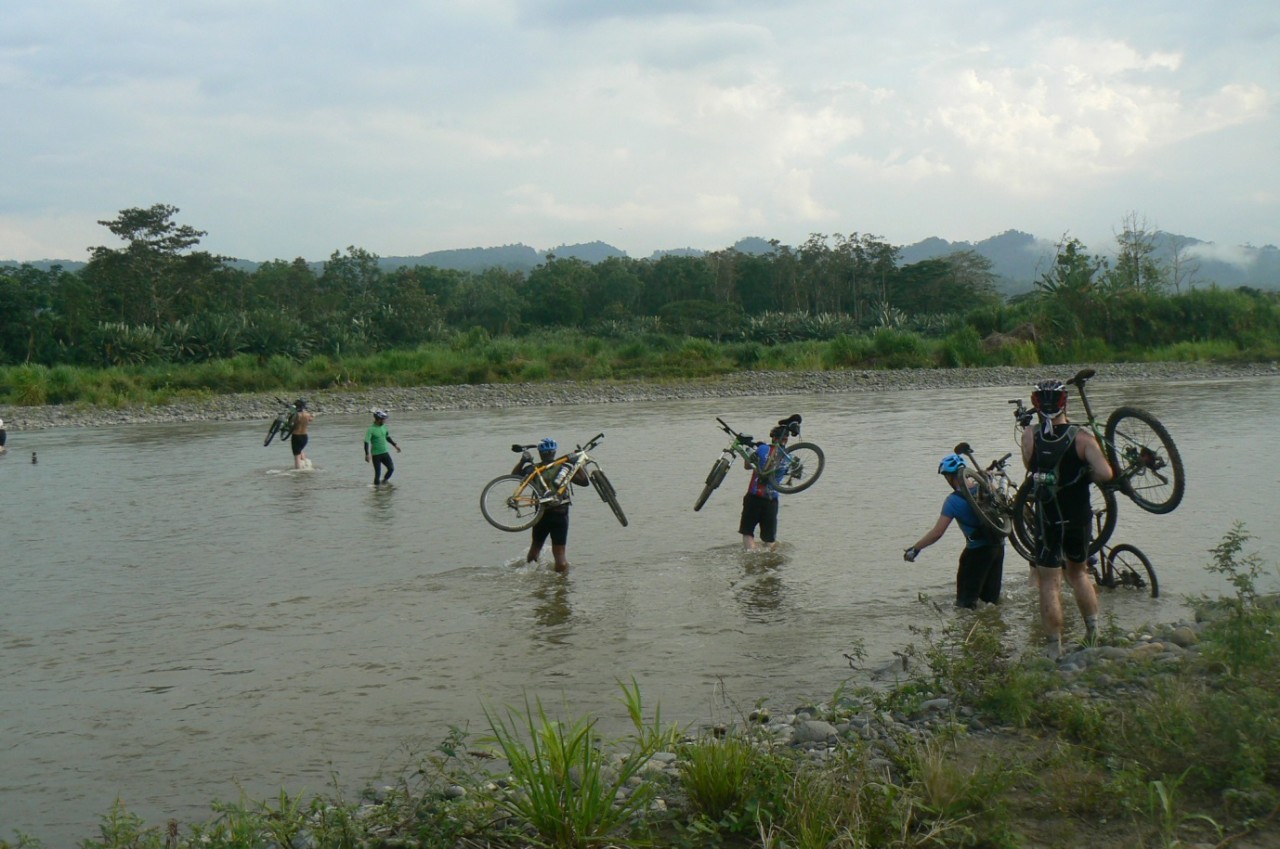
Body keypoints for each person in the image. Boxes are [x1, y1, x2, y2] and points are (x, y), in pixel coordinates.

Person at [1020, 378, 1115, 658]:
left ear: (1036, 404)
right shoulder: (1083, 437)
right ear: (1065, 403)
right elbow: (1106, 474)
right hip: (1079, 516)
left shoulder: (1030, 435)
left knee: (1049, 582)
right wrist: (1086, 472)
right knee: (1079, 573)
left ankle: (1053, 650)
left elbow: (1029, 464)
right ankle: (1093, 635)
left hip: (1047, 518)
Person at [902, 453, 1005, 608]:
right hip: (998, 547)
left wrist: (916, 548)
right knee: (991, 602)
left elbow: (937, 533)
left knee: (965, 605)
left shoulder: (953, 501)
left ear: (950, 478)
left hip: (976, 552)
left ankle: (968, 630)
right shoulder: (986, 487)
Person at [516, 437, 588, 573]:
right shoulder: (563, 467)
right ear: (554, 452)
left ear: (539, 453)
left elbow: (514, 477)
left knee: (535, 548)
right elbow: (584, 482)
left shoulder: (533, 469)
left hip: (541, 513)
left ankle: (529, 575)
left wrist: (522, 462)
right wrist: (579, 464)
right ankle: (561, 584)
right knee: (560, 554)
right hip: (560, 513)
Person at [739, 417, 799, 551]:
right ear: (786, 440)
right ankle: (768, 561)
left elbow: (747, 466)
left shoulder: (762, 449)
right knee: (769, 539)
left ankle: (751, 554)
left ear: (773, 438)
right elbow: (794, 474)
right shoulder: (788, 458)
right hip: (772, 500)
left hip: (754, 497)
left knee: (747, 532)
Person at [363, 409, 401, 485]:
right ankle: (376, 490)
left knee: (391, 469)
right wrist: (367, 454)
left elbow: (387, 437)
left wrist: (395, 445)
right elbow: (366, 442)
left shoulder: (384, 427)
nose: (385, 421)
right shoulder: (371, 429)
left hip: (385, 452)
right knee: (377, 474)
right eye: (383, 419)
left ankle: (384, 481)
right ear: (378, 419)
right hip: (376, 454)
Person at [289, 399, 314, 469]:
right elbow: (311, 419)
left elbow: (290, 422)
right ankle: (306, 464)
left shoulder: (296, 415)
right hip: (305, 437)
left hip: (296, 436)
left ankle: (298, 472)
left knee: (296, 457)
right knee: (300, 450)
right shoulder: (308, 415)